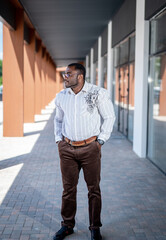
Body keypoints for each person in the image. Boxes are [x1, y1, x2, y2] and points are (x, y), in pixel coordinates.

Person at [53, 63, 115, 240]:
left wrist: (101, 140)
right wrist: (59, 140)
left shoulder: (98, 93)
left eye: (68, 74)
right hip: (67, 149)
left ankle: (95, 227)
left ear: (79, 77)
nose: (65, 77)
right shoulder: (62, 96)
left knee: (93, 189)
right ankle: (67, 225)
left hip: (90, 149)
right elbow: (58, 120)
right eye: (65, 74)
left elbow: (109, 117)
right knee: (68, 190)